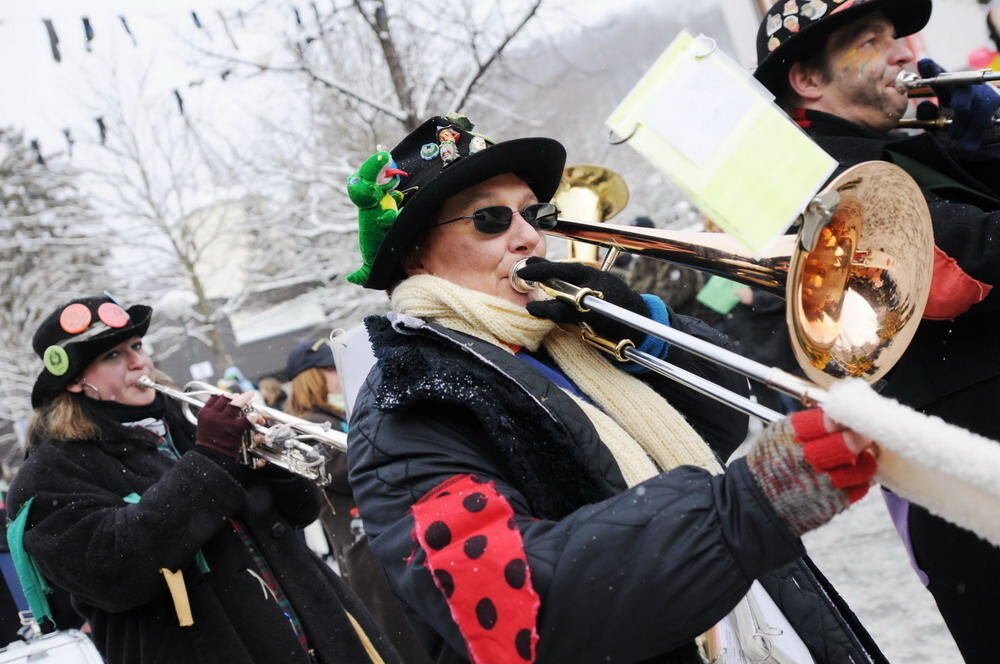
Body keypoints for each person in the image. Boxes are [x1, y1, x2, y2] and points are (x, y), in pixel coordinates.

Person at [344, 114, 887, 663]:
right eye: (490, 219)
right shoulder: (407, 402)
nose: (531, 236)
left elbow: (719, 428)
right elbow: (520, 602)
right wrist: (741, 511)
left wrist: (645, 329)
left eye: (535, 213)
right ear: (416, 254)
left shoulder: (558, 334)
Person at [754, 1, 1000, 659]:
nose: (905, 52)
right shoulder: (816, 180)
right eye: (873, 40)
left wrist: (991, 131)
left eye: (899, 36)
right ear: (808, 80)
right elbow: (967, 263)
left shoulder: (916, 145)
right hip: (970, 483)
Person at [5, 295, 400, 664]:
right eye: (113, 355)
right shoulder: (49, 475)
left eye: (137, 347)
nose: (138, 362)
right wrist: (211, 456)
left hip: (318, 628)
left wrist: (271, 467)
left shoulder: (186, 422)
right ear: (74, 382)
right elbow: (113, 570)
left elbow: (299, 512)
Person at [285, 339, 431, 663]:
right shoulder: (303, 425)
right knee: (404, 640)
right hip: (362, 546)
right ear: (309, 378)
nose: (336, 376)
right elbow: (346, 470)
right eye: (326, 370)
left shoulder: (340, 414)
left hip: (386, 534)